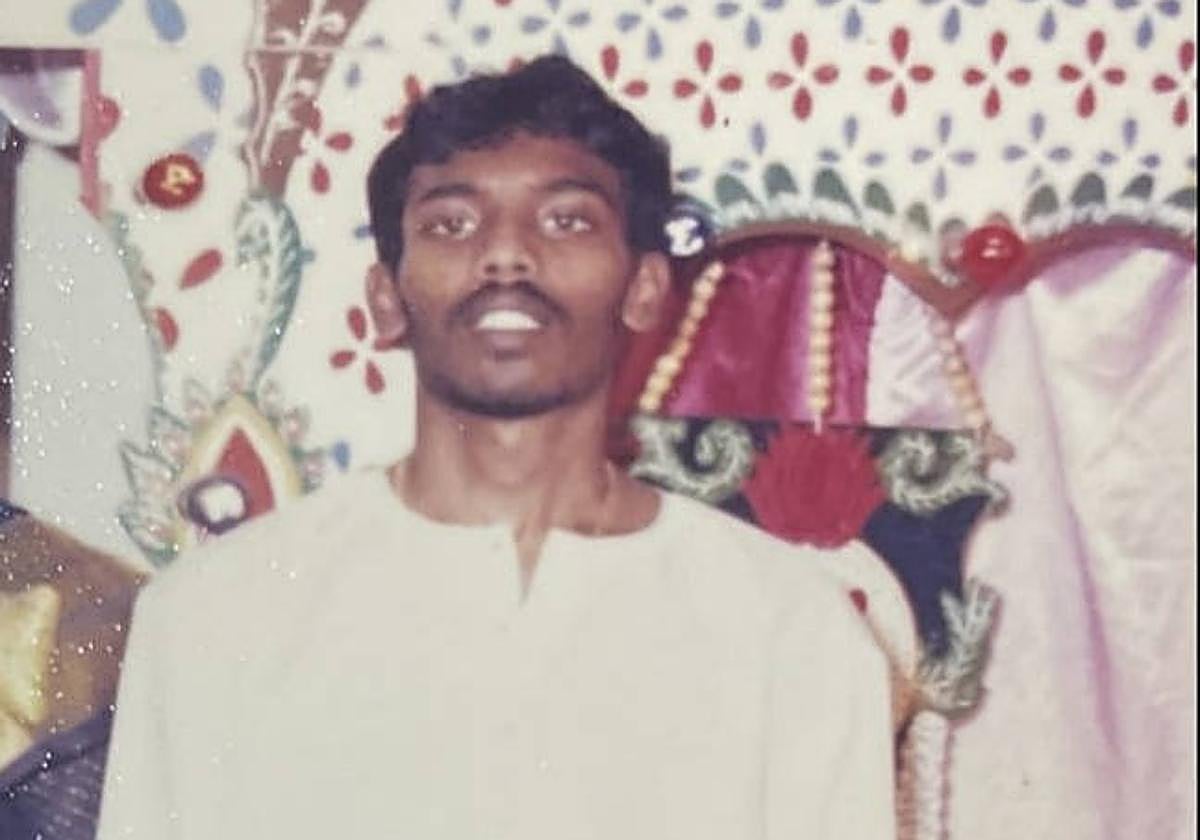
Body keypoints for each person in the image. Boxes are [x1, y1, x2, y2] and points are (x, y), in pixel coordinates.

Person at [96, 55, 895, 839]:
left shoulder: (790, 635)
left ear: (644, 288)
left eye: (566, 220)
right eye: (452, 224)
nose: (506, 254)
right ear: (386, 298)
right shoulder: (217, 620)